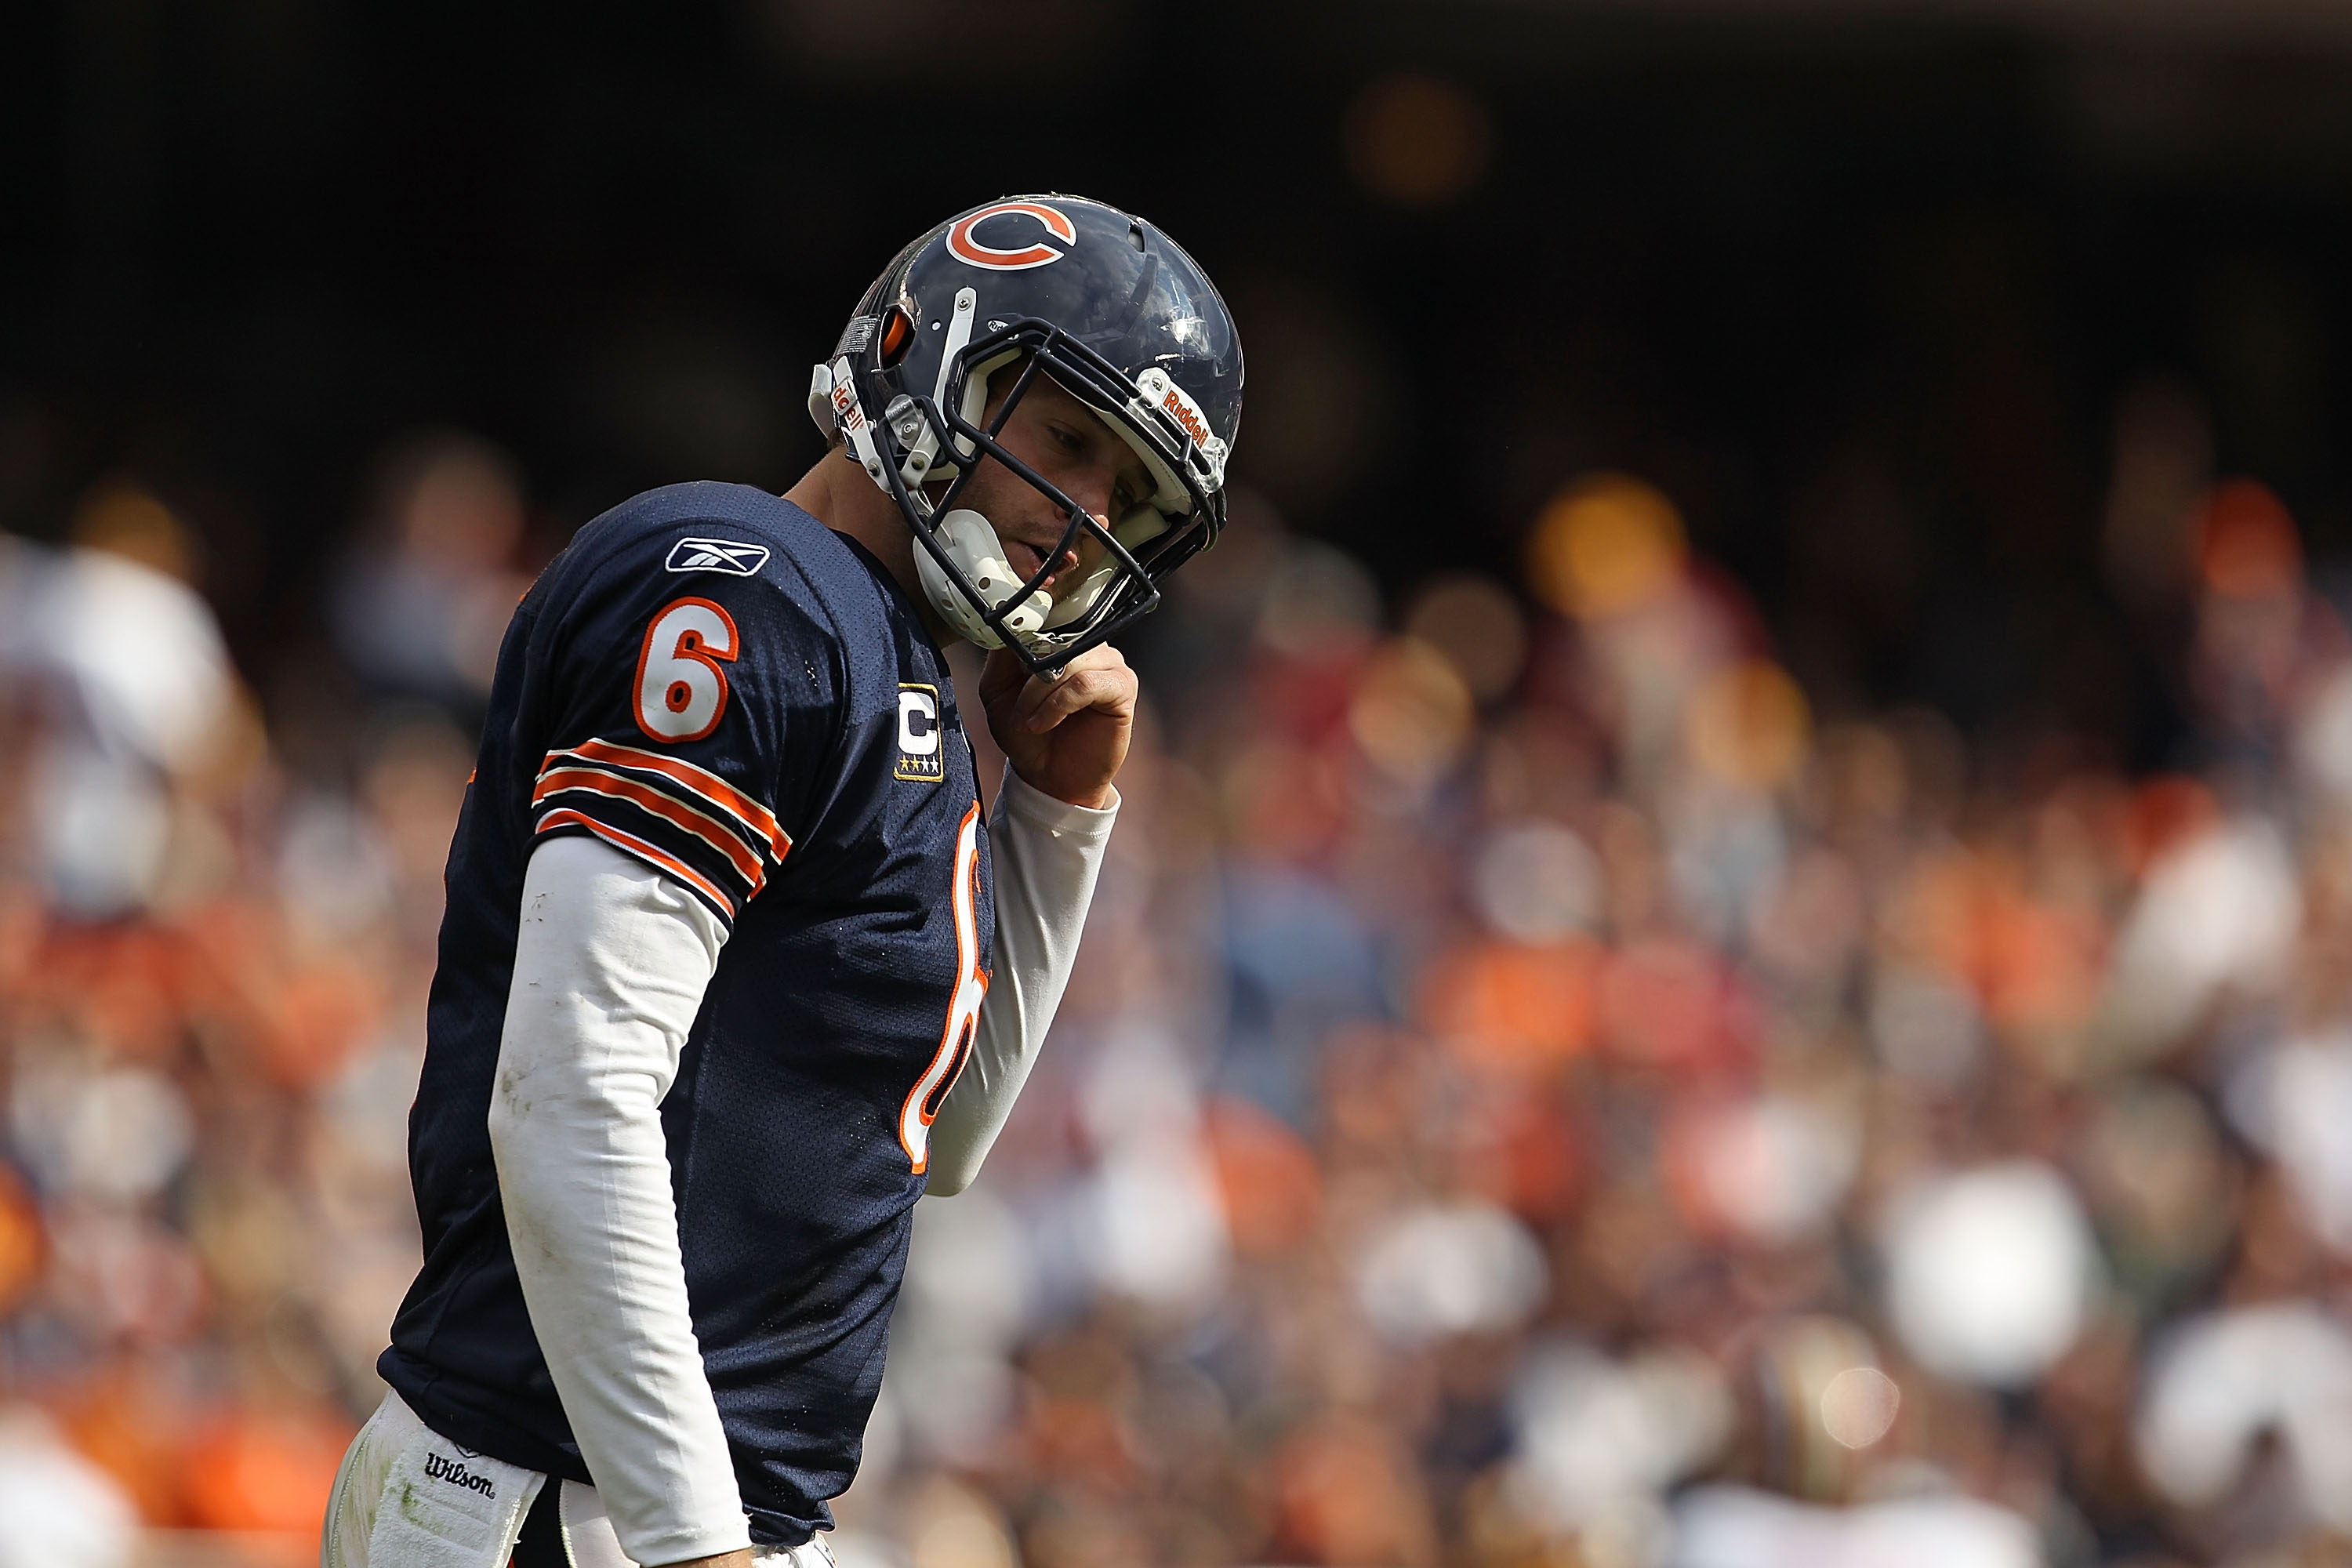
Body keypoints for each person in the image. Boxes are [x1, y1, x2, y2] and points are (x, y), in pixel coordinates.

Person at [318, 194, 1243, 1568]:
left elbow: (940, 1144)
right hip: (560, 1506)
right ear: (926, 353)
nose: (1083, 517)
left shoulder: (896, 662)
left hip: (672, 1507)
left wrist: (1062, 818)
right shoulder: (750, 590)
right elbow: (571, 1090)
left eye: (1130, 492)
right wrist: (696, 1543)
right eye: (1067, 438)